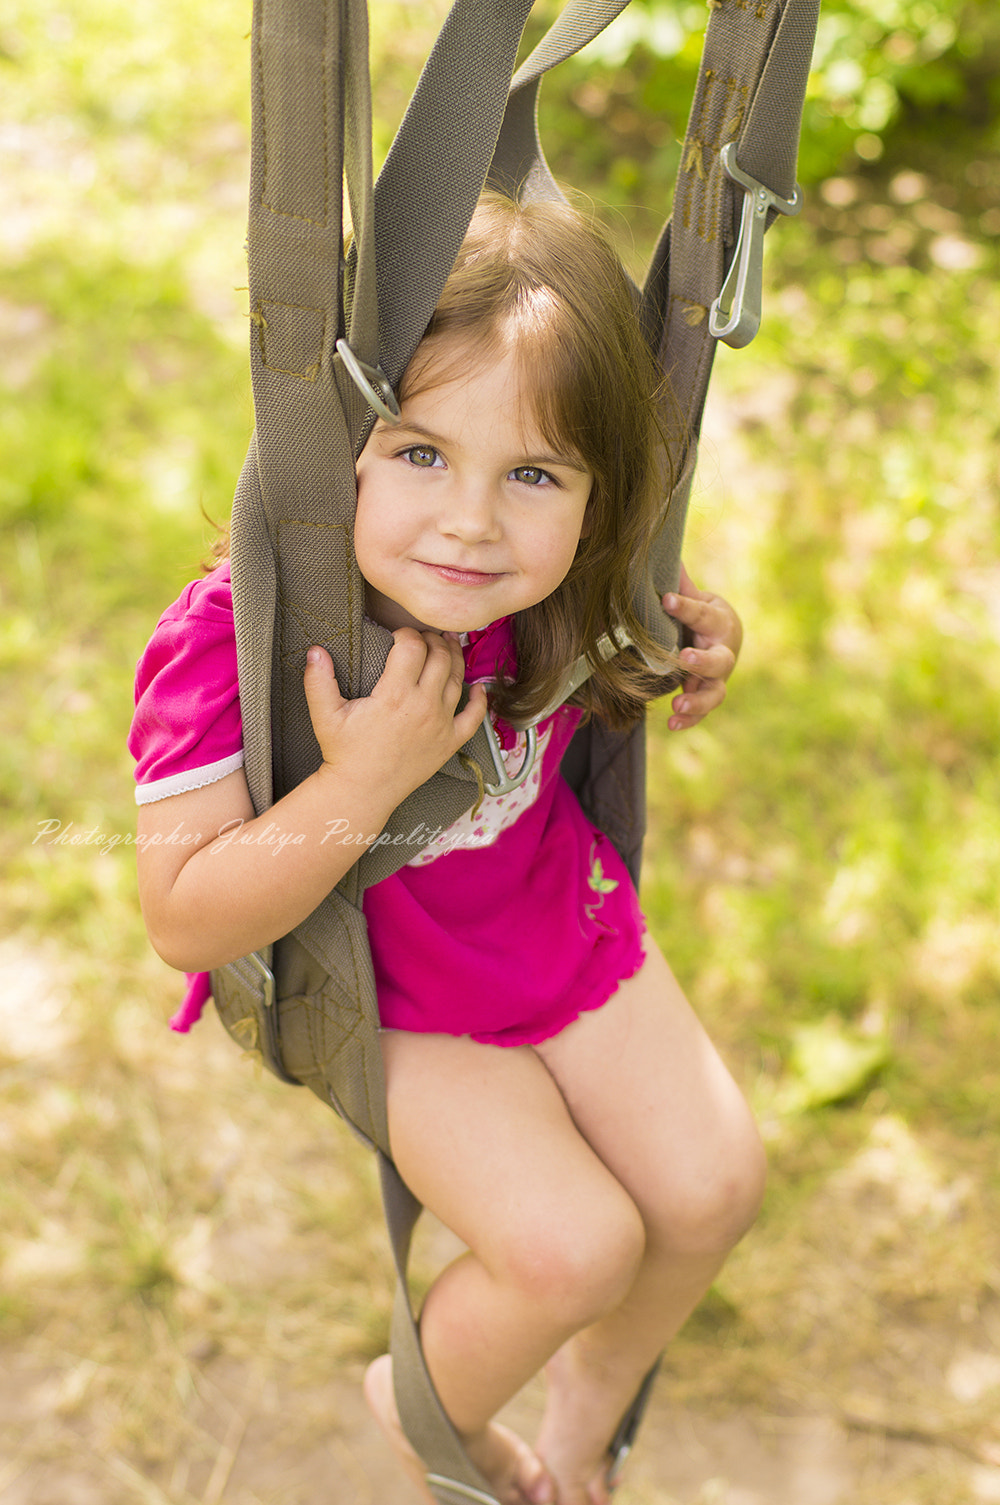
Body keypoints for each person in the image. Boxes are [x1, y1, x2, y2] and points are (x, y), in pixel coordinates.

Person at [130, 193, 762, 1505]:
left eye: (532, 475)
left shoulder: (545, 578)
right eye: (420, 452)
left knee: (711, 1185)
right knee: (574, 1246)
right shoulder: (243, 635)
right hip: (397, 997)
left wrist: (688, 645)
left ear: (591, 492)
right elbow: (186, 917)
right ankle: (431, 1407)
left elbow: (612, 661)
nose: (472, 521)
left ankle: (589, 1411)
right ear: (344, 439)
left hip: (554, 922)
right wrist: (362, 776)